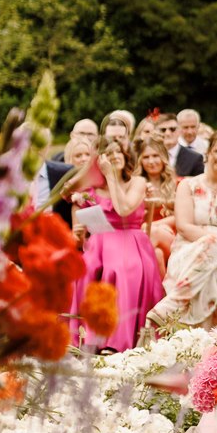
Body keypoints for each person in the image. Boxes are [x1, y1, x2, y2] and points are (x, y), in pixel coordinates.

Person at [149, 130, 217, 329]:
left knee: (212, 248)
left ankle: (173, 304)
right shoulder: (188, 185)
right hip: (187, 250)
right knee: (209, 273)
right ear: (208, 152)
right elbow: (184, 227)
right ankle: (206, 339)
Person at [73, 136, 164, 351]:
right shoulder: (91, 189)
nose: (114, 157)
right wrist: (79, 230)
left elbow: (123, 209)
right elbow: (81, 225)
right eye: (108, 153)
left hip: (130, 239)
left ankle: (117, 341)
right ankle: (89, 338)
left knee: (121, 269)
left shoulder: (137, 182)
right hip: (99, 240)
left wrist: (111, 176)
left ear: (125, 156)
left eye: (118, 152)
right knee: (84, 269)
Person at [138, 138, 180, 266]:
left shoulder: (179, 184)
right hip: (144, 236)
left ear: (164, 158)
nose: (151, 161)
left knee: (153, 233)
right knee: (157, 254)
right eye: (146, 157)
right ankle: (159, 287)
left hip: (173, 238)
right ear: (140, 161)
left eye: (156, 156)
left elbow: (182, 217)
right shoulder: (135, 185)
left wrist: (152, 226)